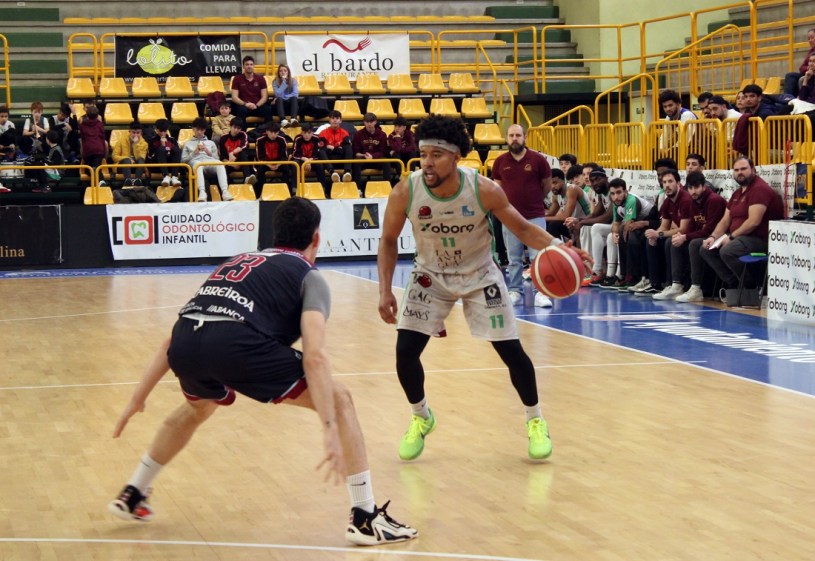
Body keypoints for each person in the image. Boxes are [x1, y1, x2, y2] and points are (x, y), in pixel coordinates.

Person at [107, 197, 418, 546]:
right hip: (235, 343)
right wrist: (329, 424)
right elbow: (315, 356)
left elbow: (170, 340)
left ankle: (134, 491)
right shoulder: (309, 277)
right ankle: (364, 516)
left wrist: (138, 398)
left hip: (186, 342)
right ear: (316, 238)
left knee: (199, 407)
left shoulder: (239, 260)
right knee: (340, 398)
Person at [376, 115, 592, 461]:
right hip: (431, 276)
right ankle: (421, 417)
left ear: (456, 157)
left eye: (436, 155)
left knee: (511, 352)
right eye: (423, 155)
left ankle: (535, 420)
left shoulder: (483, 189)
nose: (427, 162)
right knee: (405, 351)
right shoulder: (407, 190)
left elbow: (522, 229)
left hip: (480, 275)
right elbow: (387, 241)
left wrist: (560, 247)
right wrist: (385, 290)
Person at [492, 123, 553, 308]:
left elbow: (547, 185)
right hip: (509, 218)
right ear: (506, 138)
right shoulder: (500, 162)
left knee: (538, 257)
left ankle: (540, 293)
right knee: (514, 258)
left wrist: (534, 202)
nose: (514, 139)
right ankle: (515, 291)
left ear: (525, 137)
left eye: (518, 135)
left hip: (534, 215)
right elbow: (497, 189)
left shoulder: (538, 159)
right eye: (511, 135)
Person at [700, 157, 784, 292]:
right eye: (737, 170)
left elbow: (753, 222)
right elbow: (725, 221)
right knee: (706, 249)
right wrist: (713, 237)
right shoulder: (737, 193)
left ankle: (750, 286)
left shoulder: (759, 189)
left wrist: (731, 237)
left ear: (753, 170)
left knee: (728, 250)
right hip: (740, 238)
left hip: (760, 239)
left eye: (744, 169)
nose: (740, 172)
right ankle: (734, 283)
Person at [674, 171, 727, 303]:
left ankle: (696, 287)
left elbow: (709, 229)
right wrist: (681, 235)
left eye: (696, 187)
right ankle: (676, 284)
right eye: (690, 188)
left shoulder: (714, 200)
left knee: (694, 243)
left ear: (704, 186)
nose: (693, 191)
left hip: (721, 236)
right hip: (707, 236)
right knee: (672, 242)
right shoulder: (694, 202)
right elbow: (692, 226)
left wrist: (685, 237)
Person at [643, 169, 693, 298]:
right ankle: (655, 283)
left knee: (670, 242)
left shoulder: (685, 199)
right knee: (650, 241)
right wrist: (654, 234)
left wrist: (659, 234)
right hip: (680, 234)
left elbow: (683, 229)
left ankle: (675, 284)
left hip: (692, 234)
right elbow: (664, 226)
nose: (667, 185)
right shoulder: (667, 202)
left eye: (670, 181)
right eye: (664, 182)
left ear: (678, 183)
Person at [604, 178, 655, 290]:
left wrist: (619, 232)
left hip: (651, 223)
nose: (615, 197)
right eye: (612, 194)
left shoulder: (631, 200)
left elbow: (628, 226)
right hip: (637, 226)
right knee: (619, 235)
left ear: (625, 192)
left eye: (618, 192)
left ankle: (634, 276)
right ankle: (625, 274)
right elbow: (616, 222)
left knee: (628, 235)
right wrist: (614, 233)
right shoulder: (616, 203)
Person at [182, 117, 233, 202]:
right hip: (195, 163)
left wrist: (209, 152)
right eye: (197, 129)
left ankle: (225, 191)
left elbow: (217, 158)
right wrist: (194, 153)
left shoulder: (211, 143)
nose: (199, 132)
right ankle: (202, 192)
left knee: (219, 163)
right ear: (193, 129)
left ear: (205, 130)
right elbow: (183, 161)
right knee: (198, 164)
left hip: (209, 162)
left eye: (202, 130)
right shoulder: (187, 143)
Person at [352, 112, 392, 193]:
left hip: (376, 159)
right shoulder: (358, 134)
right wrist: (363, 155)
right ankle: (358, 190)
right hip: (364, 159)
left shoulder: (382, 134)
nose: (369, 124)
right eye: (367, 122)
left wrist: (372, 156)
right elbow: (356, 152)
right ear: (364, 122)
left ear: (375, 122)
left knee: (386, 162)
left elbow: (383, 151)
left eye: (371, 122)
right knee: (355, 163)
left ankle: (387, 188)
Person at [230, 55, 273, 123]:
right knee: (240, 110)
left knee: (268, 109)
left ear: (254, 66)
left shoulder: (260, 79)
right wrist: (245, 104)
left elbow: (264, 96)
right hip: (244, 106)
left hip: (257, 106)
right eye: (247, 64)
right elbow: (234, 97)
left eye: (251, 64)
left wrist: (256, 105)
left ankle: (268, 132)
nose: (249, 66)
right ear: (243, 66)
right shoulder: (237, 79)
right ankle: (243, 132)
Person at [218, 117, 257, 190]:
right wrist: (232, 164)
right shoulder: (223, 138)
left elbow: (243, 145)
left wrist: (232, 152)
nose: (236, 130)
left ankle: (247, 177)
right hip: (229, 163)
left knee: (243, 154)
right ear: (230, 126)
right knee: (222, 171)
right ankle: (231, 188)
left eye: (238, 128)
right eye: (234, 127)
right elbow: (222, 157)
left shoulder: (243, 135)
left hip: (242, 162)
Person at [147, 119, 184, 193]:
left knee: (177, 150)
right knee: (161, 149)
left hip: (170, 165)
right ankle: (166, 176)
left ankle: (174, 176)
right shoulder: (152, 140)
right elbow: (150, 156)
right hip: (157, 165)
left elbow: (177, 154)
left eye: (165, 131)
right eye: (161, 131)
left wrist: (168, 151)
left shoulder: (172, 140)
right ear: (157, 130)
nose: (163, 133)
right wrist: (162, 146)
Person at [256, 122, 292, 196]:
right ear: (267, 131)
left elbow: (284, 157)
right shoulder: (260, 140)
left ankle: (287, 192)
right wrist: (270, 165)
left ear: (278, 132)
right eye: (271, 132)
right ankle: (260, 194)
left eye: (275, 132)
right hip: (265, 163)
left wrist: (278, 165)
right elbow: (260, 157)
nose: (273, 135)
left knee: (287, 170)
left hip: (279, 163)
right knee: (260, 171)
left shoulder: (282, 140)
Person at [292, 123, 329, 195]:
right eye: (305, 133)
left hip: (312, 160)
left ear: (312, 132)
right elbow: (295, 154)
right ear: (301, 132)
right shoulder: (298, 139)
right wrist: (305, 160)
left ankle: (323, 189)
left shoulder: (316, 138)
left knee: (320, 165)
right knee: (295, 164)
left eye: (309, 133)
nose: (306, 135)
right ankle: (294, 190)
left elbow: (317, 154)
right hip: (301, 160)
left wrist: (309, 161)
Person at [319, 110, 353, 183]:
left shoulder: (345, 133)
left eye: (337, 118)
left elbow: (345, 149)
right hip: (328, 159)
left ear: (340, 120)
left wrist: (332, 148)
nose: (334, 120)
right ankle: (332, 173)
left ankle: (347, 172)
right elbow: (322, 149)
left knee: (349, 149)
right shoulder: (323, 133)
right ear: (329, 120)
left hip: (341, 159)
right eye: (332, 118)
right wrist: (338, 149)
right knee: (321, 152)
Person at [79, 104, 108, 186]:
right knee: (95, 168)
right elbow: (103, 138)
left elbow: (83, 140)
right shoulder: (100, 124)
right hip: (99, 149)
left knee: (90, 169)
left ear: (87, 115)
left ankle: (100, 181)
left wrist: (83, 154)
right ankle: (101, 181)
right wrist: (104, 154)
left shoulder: (82, 125)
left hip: (88, 150)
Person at [112, 121, 148, 186]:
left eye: (138, 133)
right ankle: (127, 181)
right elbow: (114, 156)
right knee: (126, 160)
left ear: (141, 133)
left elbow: (141, 157)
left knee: (141, 160)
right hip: (123, 166)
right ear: (129, 132)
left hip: (136, 168)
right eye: (133, 132)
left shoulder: (144, 144)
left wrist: (135, 144)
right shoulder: (121, 140)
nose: (135, 135)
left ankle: (138, 180)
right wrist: (127, 158)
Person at [783, 28, 815, 96]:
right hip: (808, 73)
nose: (810, 40)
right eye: (808, 39)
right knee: (790, 76)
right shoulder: (810, 52)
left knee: (800, 79)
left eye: (812, 38)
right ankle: (788, 98)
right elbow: (801, 68)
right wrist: (808, 68)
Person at [272, 63, 300, 128]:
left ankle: (293, 119)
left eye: (285, 70)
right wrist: (284, 83)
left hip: (290, 105)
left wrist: (284, 97)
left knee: (294, 98)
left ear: (288, 72)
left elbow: (295, 94)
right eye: (281, 71)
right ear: (278, 73)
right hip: (280, 106)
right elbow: (277, 94)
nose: (283, 72)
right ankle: (283, 121)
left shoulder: (293, 81)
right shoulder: (275, 82)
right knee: (279, 99)